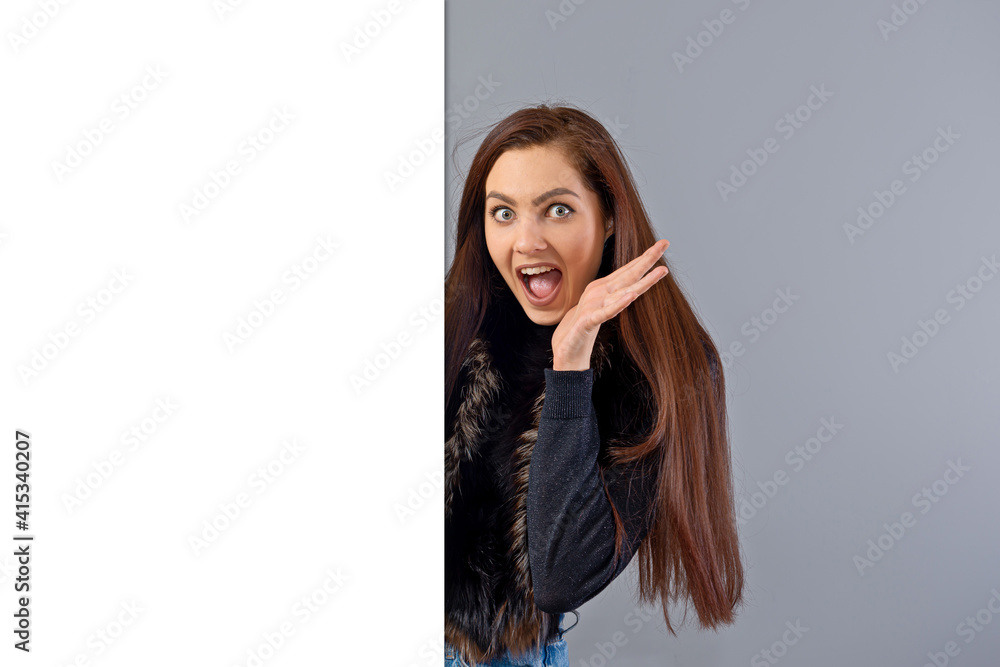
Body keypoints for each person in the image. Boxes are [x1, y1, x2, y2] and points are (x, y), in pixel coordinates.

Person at [445, 103, 746, 666]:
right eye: (502, 213)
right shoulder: (454, 324)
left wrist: (570, 365)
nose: (526, 242)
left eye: (556, 209)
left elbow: (559, 579)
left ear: (608, 217)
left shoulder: (658, 370)